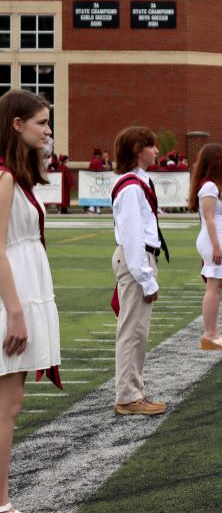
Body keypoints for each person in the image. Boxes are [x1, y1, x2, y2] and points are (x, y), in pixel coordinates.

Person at [0, 91, 60, 513]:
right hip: (12, 295)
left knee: (10, 404)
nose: (48, 130)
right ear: (17, 124)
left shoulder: (16, 175)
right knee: (8, 405)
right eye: (41, 122)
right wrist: (16, 312)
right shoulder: (4, 177)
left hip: (21, 288)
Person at [110, 126, 168, 416]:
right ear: (137, 150)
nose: (157, 151)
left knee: (138, 332)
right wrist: (146, 279)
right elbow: (133, 236)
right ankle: (127, 396)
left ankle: (133, 390)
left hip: (141, 258)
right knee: (133, 331)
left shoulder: (138, 182)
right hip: (137, 260)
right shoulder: (132, 187)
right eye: (152, 146)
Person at [189, 143, 222, 351]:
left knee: (216, 286)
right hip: (213, 239)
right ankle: (210, 334)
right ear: (216, 160)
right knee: (213, 287)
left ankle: (213, 331)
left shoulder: (215, 185)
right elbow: (208, 217)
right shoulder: (210, 186)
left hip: (218, 238)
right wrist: (215, 247)